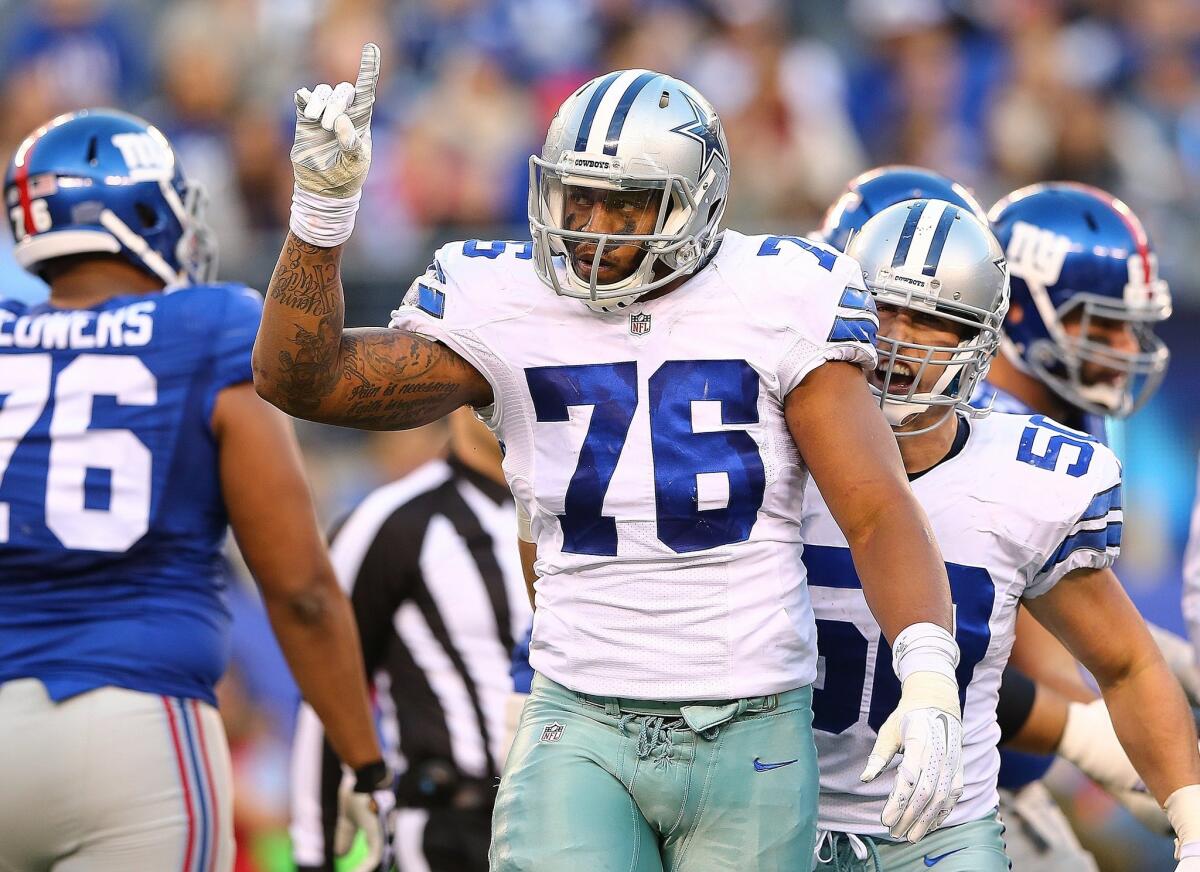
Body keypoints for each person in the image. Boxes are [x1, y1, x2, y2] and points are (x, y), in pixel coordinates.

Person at [254, 47, 966, 869]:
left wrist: (926, 666)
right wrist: (321, 215)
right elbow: (299, 380)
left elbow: (874, 507)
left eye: (621, 206)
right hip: (578, 711)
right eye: (574, 195)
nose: (585, 228)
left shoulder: (779, 294)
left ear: (695, 203)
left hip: (751, 719)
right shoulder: (507, 299)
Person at [0, 108, 391, 872]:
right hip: (135, 730)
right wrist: (362, 762)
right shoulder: (208, 326)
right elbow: (301, 588)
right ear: (147, 210)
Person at [805, 198, 1200, 872]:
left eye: (933, 317)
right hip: (771, 800)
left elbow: (1117, 659)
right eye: (884, 307)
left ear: (982, 337)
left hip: (944, 826)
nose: (899, 337)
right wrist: (1084, 737)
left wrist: (1189, 815)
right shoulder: (766, 439)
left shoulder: (1028, 467)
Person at [974, 181, 1182, 871]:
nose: (1128, 346)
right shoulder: (980, 431)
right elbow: (1022, 648)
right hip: (942, 794)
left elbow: (1051, 605)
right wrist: (1128, 755)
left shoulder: (1056, 413)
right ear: (1022, 312)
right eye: (1103, 324)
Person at [291, 409, 531, 872]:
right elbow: (329, 684)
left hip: (577, 820)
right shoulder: (395, 521)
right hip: (449, 830)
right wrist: (312, 854)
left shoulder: (597, 514)